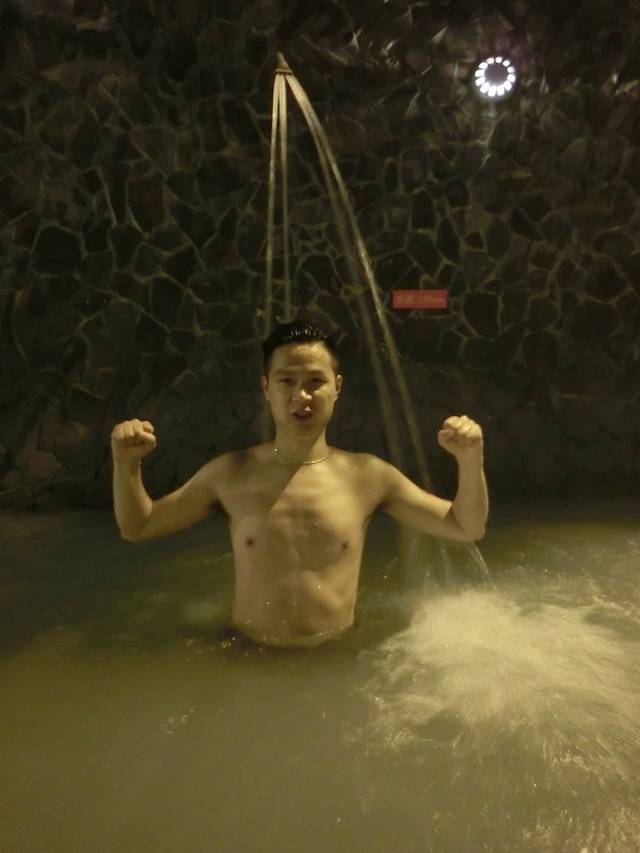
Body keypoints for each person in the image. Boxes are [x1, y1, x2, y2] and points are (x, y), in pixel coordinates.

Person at [111, 320, 488, 648]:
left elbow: (465, 526)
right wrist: (126, 464)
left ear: (337, 387)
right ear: (266, 387)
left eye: (315, 382)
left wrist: (470, 460)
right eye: (286, 381)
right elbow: (138, 526)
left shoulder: (368, 477)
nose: (301, 396)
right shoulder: (230, 474)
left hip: (334, 661)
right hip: (248, 659)